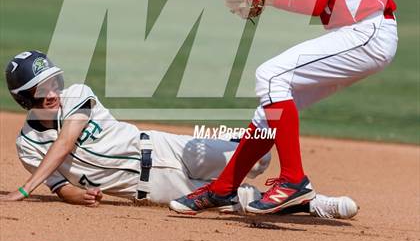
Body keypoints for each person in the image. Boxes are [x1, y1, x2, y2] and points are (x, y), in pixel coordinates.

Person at [170, 0, 397, 216]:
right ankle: (223, 189)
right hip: (355, 33)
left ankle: (293, 180)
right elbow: (320, 3)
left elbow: (315, 3)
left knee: (271, 75)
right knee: (268, 112)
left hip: (368, 31)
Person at [1, 50, 357, 220]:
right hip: (152, 189)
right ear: (22, 98)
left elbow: (64, 144)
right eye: (40, 88)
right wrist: (75, 195)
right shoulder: (27, 146)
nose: (51, 92)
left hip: (165, 148)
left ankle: (265, 151)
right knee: (246, 201)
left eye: (53, 83)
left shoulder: (78, 94)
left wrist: (23, 190)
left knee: (259, 159)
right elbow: (59, 185)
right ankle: (318, 205)